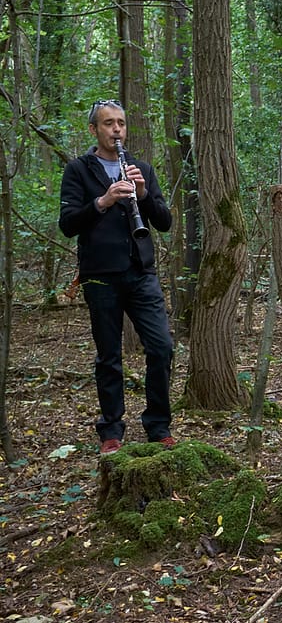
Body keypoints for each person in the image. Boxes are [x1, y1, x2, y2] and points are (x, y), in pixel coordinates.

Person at [59, 99, 176, 455]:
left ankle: (158, 424)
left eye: (121, 124)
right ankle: (111, 430)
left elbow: (165, 222)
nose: (117, 130)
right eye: (108, 124)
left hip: (141, 272)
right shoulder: (79, 170)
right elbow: (68, 224)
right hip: (100, 275)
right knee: (109, 356)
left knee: (162, 347)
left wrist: (142, 193)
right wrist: (104, 200)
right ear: (94, 129)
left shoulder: (140, 168)